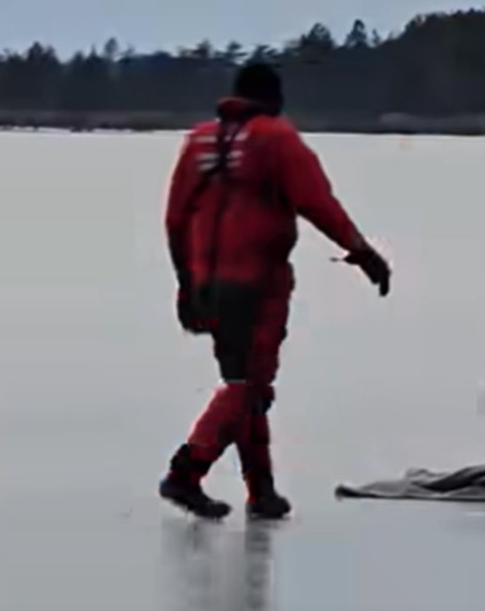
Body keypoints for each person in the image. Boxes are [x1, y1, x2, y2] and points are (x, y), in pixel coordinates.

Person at [159, 62, 392, 520]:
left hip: (207, 283)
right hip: (257, 284)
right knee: (249, 386)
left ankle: (261, 492)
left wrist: (186, 284)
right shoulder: (276, 139)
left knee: (242, 382)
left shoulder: (199, 140)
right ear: (274, 98)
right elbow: (317, 202)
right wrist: (362, 252)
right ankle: (187, 471)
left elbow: (175, 219)